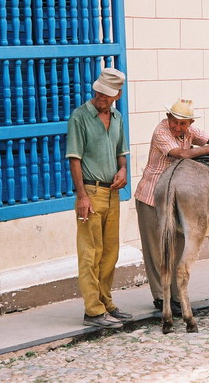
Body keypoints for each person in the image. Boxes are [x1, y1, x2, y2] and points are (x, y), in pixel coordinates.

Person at [134, 98, 209, 314]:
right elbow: (182, 154)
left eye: (183, 124)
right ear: (168, 118)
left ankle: (175, 296)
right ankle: (160, 297)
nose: (178, 127)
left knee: (179, 246)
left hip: (177, 197)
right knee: (157, 248)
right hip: (152, 195)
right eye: (175, 122)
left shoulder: (189, 131)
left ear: (190, 123)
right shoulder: (161, 132)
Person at [66, 67, 133, 329]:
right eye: (99, 91)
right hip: (90, 193)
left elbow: (121, 152)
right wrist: (81, 195)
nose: (101, 96)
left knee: (110, 253)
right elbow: (74, 158)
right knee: (89, 253)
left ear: (117, 94)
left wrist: (124, 169)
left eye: (107, 93)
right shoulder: (80, 117)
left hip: (112, 192)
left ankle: (106, 302)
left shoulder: (117, 117)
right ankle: (92, 310)